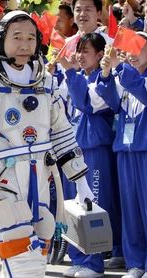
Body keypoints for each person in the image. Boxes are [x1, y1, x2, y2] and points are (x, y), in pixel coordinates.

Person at [0, 9, 94, 278]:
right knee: (21, 257)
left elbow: (61, 133)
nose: (25, 45)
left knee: (36, 252)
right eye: (17, 37)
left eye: (31, 38)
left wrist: (80, 182)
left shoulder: (44, 82)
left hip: (39, 180)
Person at [59, 33, 122, 277]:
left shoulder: (105, 80)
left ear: (99, 54)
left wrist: (71, 73)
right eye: (79, 50)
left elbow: (85, 102)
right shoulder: (78, 78)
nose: (80, 56)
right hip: (75, 148)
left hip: (96, 150)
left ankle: (94, 262)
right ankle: (79, 258)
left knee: (92, 204)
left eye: (86, 51)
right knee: (73, 206)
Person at [97, 33, 147, 278]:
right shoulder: (124, 78)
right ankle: (135, 263)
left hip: (146, 153)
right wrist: (107, 74)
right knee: (131, 212)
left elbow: (141, 90)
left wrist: (120, 68)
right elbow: (109, 101)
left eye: (139, 48)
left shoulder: (145, 79)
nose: (132, 53)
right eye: (129, 49)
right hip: (125, 153)